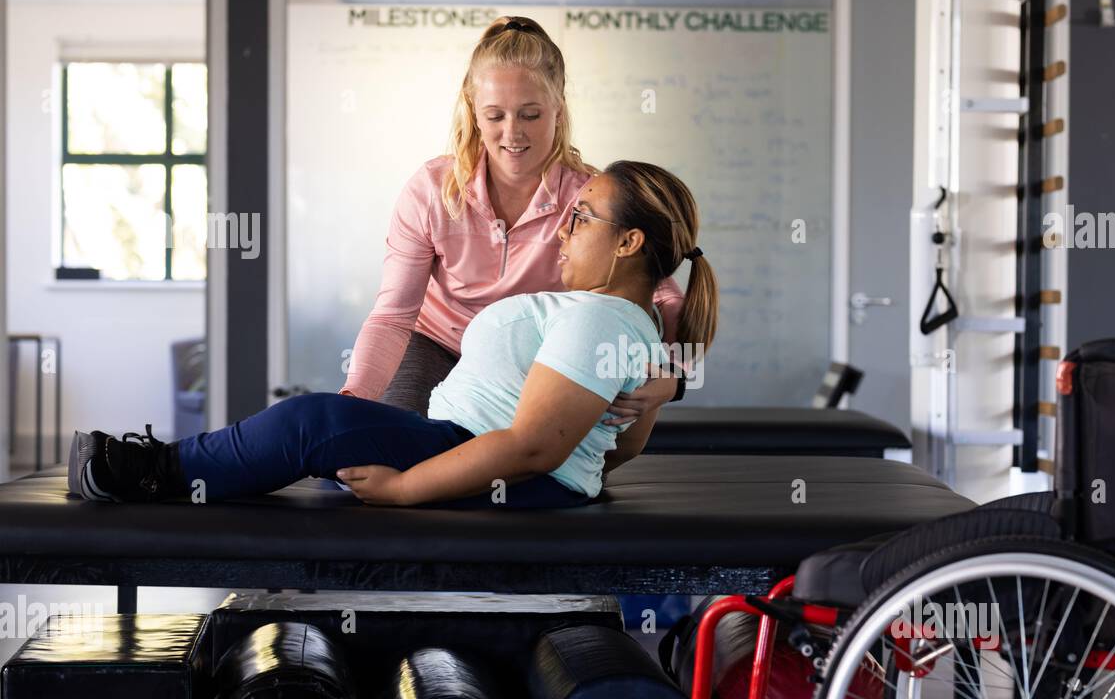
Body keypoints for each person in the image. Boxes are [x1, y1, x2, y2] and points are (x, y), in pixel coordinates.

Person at [67, 161, 718, 509]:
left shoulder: (602, 317)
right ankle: (174, 468)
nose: (563, 229)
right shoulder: (625, 322)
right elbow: (620, 448)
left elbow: (532, 448)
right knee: (324, 425)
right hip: (485, 456)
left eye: (582, 218)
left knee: (310, 423)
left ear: (629, 242)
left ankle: (151, 473)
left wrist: (406, 489)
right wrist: (641, 408)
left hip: (488, 459)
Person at [344, 14, 689, 425]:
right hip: (434, 343)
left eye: (530, 115)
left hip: (528, 352)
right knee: (385, 442)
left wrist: (675, 376)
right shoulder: (432, 189)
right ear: (473, 112)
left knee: (518, 454)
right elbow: (393, 317)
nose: (513, 133)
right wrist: (352, 402)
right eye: (495, 116)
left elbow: (664, 293)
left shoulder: (590, 196)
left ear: (558, 110)